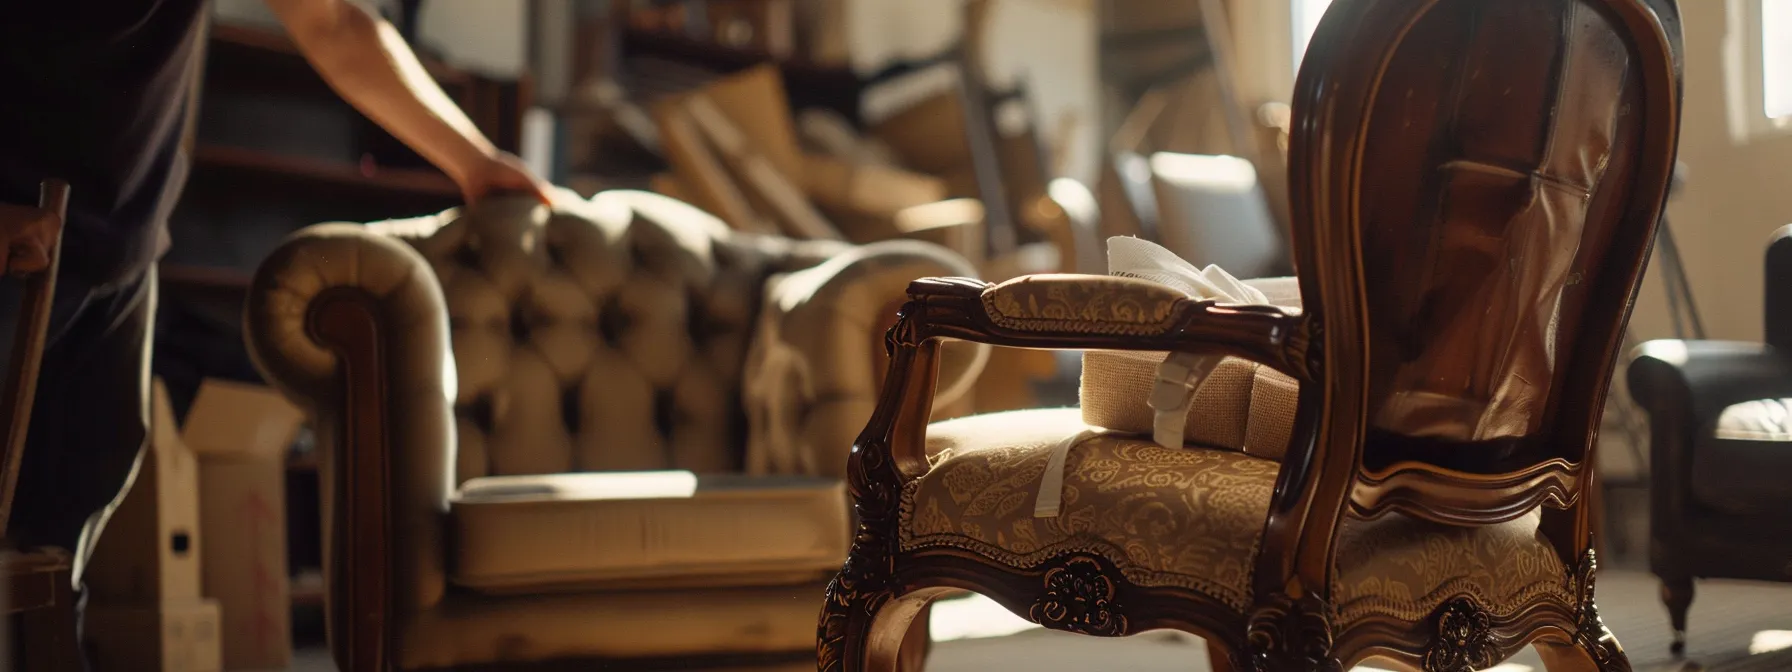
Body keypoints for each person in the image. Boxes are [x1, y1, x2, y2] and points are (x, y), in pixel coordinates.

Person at [0, 0, 550, 654]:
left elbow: (334, 23)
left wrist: (474, 161)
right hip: (12, 241)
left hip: (118, 252)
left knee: (56, 565)